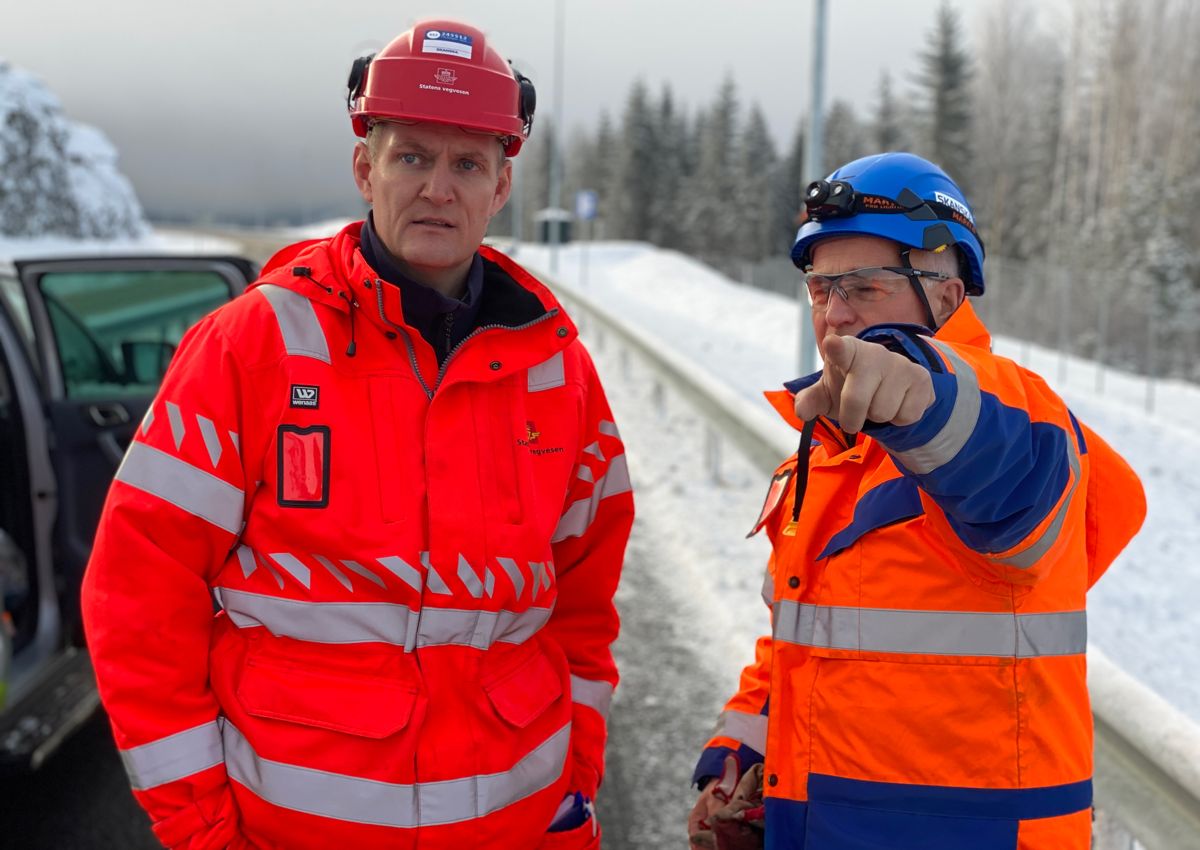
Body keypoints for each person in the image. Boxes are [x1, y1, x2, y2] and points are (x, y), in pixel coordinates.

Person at [82, 19, 633, 850]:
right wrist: (202, 830)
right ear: (363, 168)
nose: (438, 188)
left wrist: (572, 791)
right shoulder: (252, 346)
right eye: (411, 155)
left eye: (466, 164)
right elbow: (138, 601)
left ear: (501, 186)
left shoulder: (559, 372)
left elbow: (584, 615)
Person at [687, 152, 1145, 850]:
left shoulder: (1014, 412)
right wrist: (745, 756)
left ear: (949, 296)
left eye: (865, 287)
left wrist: (921, 395)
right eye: (820, 288)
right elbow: (806, 643)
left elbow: (990, 444)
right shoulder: (828, 454)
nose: (835, 314)